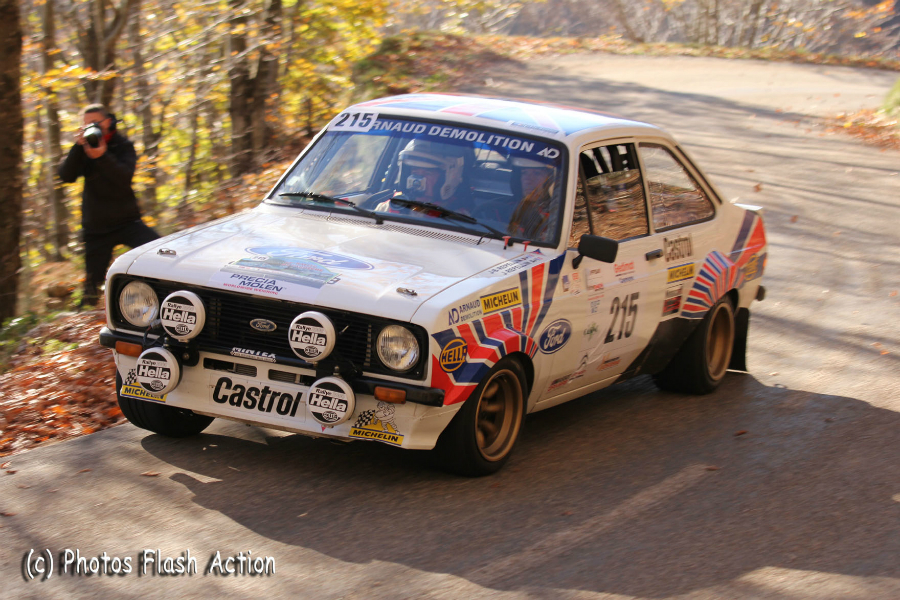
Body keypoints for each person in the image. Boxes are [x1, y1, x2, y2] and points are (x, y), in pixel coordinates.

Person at [59, 104, 159, 307]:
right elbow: (66, 176)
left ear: (109, 121)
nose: (92, 128)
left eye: (96, 123)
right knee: (91, 290)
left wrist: (103, 156)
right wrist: (78, 147)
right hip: (96, 229)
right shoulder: (83, 149)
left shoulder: (123, 146)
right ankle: (85, 322)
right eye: (86, 124)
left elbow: (123, 177)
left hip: (127, 222)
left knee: (159, 253)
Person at [375, 139, 472, 215]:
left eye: (428, 172)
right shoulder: (388, 208)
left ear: (448, 177)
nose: (417, 179)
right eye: (414, 170)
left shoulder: (457, 219)